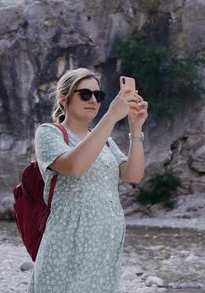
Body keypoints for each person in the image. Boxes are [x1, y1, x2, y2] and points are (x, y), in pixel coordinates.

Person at [29, 68, 148, 292]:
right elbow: (74, 167)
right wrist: (111, 116)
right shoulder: (49, 133)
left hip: (104, 246)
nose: (93, 100)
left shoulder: (105, 141)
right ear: (64, 99)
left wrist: (136, 129)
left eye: (98, 95)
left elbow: (133, 174)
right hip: (67, 244)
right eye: (85, 94)